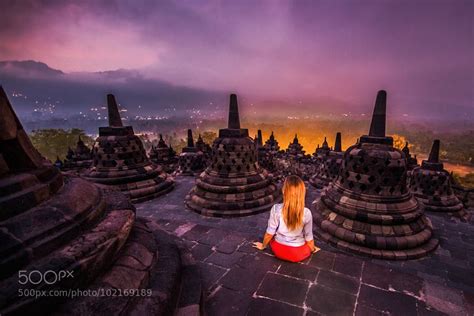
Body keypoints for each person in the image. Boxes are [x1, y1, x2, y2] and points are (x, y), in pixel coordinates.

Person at [253, 175, 320, 262]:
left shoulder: (276, 208)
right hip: (299, 254)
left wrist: (263, 246)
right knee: (308, 246)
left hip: (279, 250)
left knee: (272, 239)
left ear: (284, 191)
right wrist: (313, 249)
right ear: (302, 193)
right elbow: (309, 238)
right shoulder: (306, 213)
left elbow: (270, 233)